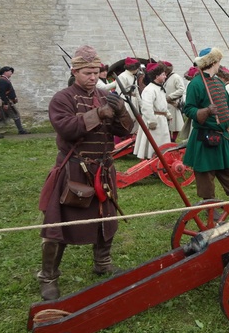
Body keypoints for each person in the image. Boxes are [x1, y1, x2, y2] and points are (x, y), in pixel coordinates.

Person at [37, 45, 133, 301]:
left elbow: (125, 131)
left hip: (104, 169)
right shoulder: (63, 98)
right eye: (87, 73)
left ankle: (102, 262)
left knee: (105, 217)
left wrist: (121, 112)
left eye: (96, 72)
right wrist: (97, 114)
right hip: (74, 170)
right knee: (59, 224)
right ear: (75, 71)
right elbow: (66, 128)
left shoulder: (105, 95)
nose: (93, 77)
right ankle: (48, 276)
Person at [182, 47, 229, 211]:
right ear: (213, 62)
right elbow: (188, 109)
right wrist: (207, 111)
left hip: (223, 137)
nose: (219, 65)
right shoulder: (195, 84)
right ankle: (211, 210)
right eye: (218, 61)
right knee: (206, 176)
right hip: (204, 138)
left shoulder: (217, 82)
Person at [133, 62, 172, 159]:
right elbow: (146, 107)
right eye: (163, 74)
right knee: (155, 142)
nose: (165, 76)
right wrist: (152, 121)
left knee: (162, 142)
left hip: (161, 120)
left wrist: (167, 114)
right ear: (156, 76)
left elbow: (163, 105)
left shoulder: (159, 88)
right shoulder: (149, 90)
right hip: (154, 120)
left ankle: (162, 159)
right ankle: (153, 159)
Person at [0, 66, 30, 134]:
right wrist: (5, 103)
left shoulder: (5, 80)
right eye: (9, 71)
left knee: (2, 116)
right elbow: (2, 93)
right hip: (7, 101)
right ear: (5, 72)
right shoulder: (2, 81)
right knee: (15, 115)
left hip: (8, 101)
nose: (11, 73)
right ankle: (21, 130)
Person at [116, 57, 141, 135]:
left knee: (134, 125)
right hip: (127, 102)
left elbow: (136, 92)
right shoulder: (122, 76)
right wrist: (125, 107)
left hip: (134, 101)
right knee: (127, 123)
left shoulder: (134, 76)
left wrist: (141, 103)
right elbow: (120, 93)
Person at [163, 61, 185, 142]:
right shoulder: (166, 77)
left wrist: (170, 96)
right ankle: (167, 140)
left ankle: (173, 140)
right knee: (167, 125)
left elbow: (181, 89)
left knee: (175, 124)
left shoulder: (176, 77)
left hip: (173, 103)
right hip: (166, 104)